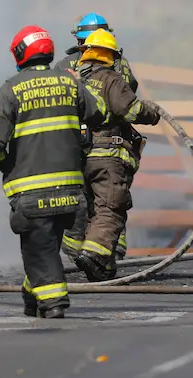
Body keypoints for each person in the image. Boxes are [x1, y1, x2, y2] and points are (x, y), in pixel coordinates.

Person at [0, 25, 105, 318]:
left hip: (31, 194)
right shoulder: (69, 83)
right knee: (46, 248)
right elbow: (99, 111)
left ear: (20, 55)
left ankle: (53, 303)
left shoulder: (11, 89)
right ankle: (31, 293)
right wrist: (79, 84)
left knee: (39, 249)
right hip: (71, 194)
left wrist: (6, 165)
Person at [69, 29, 161, 281]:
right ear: (110, 55)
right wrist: (151, 113)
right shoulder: (111, 79)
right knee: (110, 208)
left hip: (80, 157)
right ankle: (93, 255)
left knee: (93, 209)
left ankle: (103, 268)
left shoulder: (77, 82)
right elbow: (130, 110)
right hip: (107, 156)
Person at [54, 12, 138, 264]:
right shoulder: (119, 64)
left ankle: (82, 249)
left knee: (85, 197)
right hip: (110, 144)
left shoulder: (64, 65)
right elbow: (129, 96)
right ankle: (105, 249)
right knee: (111, 199)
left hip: (75, 144)